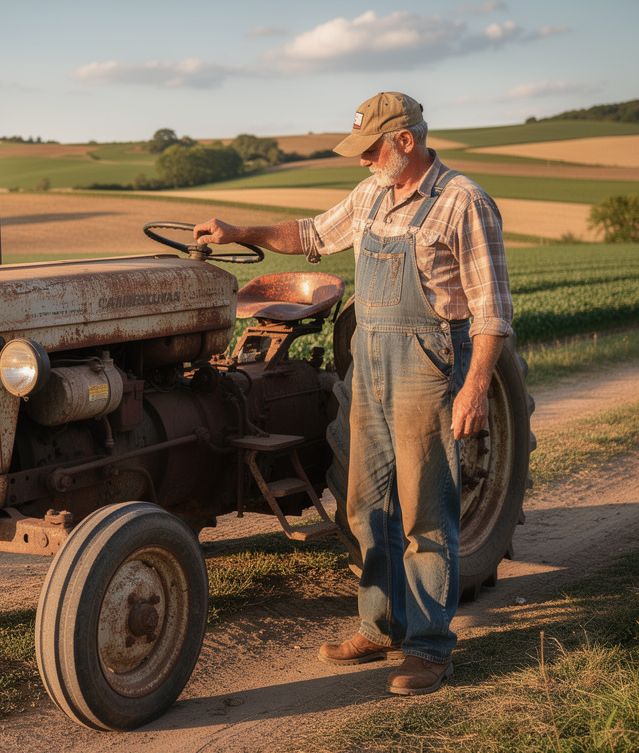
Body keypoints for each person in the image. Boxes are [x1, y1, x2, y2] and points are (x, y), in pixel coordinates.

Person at [193, 91, 513, 696]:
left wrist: (473, 388)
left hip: (430, 365)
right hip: (370, 362)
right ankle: (380, 623)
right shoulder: (371, 195)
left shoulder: (463, 202)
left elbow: (493, 313)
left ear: (406, 141)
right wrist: (240, 230)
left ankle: (429, 648)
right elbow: (312, 234)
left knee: (425, 513)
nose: (362, 161)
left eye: (370, 149)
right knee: (366, 505)